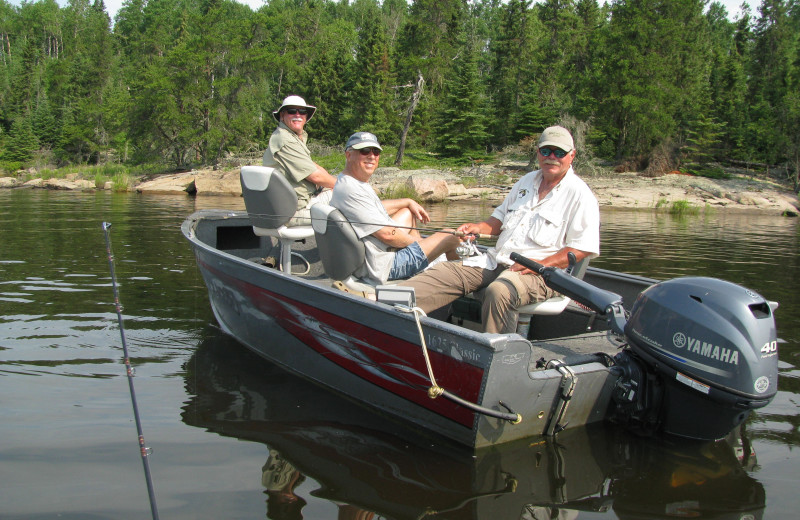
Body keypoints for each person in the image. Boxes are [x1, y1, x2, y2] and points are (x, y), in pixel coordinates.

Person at [400, 125, 600, 334]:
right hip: (498, 260)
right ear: (538, 152)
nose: (551, 157)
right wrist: (478, 227)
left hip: (543, 275)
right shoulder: (526, 181)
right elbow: (499, 220)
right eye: (546, 151)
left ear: (572, 155)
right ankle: (383, 312)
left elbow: (582, 249)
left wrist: (539, 266)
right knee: (445, 271)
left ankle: (498, 357)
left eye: (559, 152)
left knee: (500, 290)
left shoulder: (580, 195)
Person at [330, 132, 462, 285]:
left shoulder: (350, 182)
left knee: (408, 212)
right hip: (382, 266)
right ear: (348, 155)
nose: (372, 156)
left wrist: (407, 201)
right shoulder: (351, 189)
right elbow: (387, 235)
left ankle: (424, 264)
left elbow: (371, 209)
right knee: (451, 236)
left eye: (376, 152)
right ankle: (459, 282)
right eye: (365, 151)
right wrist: (418, 244)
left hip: (378, 254)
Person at [263, 95, 338, 225]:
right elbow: (316, 177)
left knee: (345, 192)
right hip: (293, 211)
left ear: (306, 116)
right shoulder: (285, 139)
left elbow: (315, 168)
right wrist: (347, 186)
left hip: (289, 207)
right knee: (352, 198)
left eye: (302, 112)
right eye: (292, 111)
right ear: (282, 115)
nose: (298, 115)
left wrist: (341, 183)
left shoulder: (290, 137)